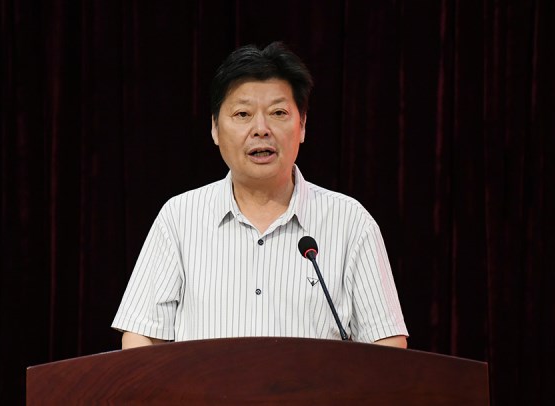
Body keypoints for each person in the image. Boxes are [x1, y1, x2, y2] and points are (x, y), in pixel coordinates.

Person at [112, 41, 408, 349]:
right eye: (242, 114)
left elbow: (386, 344)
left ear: (302, 125)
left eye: (278, 112)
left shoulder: (350, 222)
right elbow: (142, 335)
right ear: (214, 128)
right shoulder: (179, 217)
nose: (261, 129)